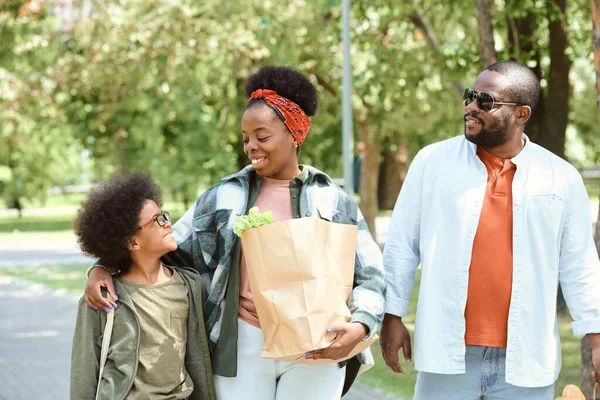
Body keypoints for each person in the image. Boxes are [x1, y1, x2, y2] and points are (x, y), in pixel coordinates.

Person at [83, 66, 386, 399]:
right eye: (245, 138)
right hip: (242, 342)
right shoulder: (223, 198)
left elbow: (370, 272)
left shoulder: (333, 199)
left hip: (316, 342)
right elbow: (162, 246)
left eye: (262, 136)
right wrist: (103, 266)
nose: (251, 146)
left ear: (294, 133)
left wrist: (360, 324)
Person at [380, 61, 600, 399]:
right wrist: (391, 315)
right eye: (471, 96)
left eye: (485, 101)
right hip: (448, 357)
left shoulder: (561, 177)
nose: (470, 107)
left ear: (521, 114)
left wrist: (596, 337)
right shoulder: (432, 162)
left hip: (526, 360)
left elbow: (579, 265)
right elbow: (401, 246)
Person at [70, 172, 216, 400]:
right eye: (157, 220)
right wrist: (98, 269)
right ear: (132, 242)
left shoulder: (190, 285)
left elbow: (199, 355)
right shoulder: (102, 297)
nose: (168, 223)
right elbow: (84, 369)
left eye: (164, 215)